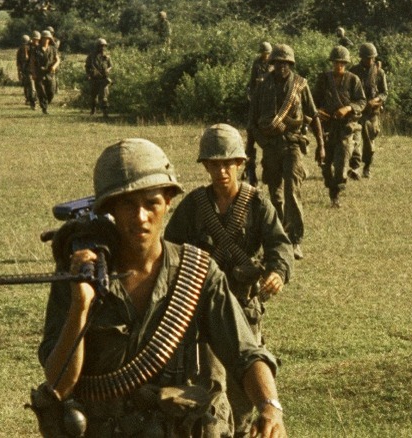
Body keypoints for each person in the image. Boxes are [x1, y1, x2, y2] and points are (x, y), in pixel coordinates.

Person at [32, 139, 287, 437]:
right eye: (127, 204)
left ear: (168, 202)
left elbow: (246, 353)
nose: (140, 216)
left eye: (151, 202)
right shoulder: (79, 276)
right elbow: (60, 384)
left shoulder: (197, 272)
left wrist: (270, 406)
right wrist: (81, 305)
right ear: (109, 208)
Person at [165, 124, 293, 437]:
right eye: (214, 164)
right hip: (204, 310)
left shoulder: (257, 204)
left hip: (245, 309)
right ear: (205, 165)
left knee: (245, 385)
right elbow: (169, 249)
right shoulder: (194, 206)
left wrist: (277, 272)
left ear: (240, 164)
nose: (221, 171)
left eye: (227, 163)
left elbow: (279, 244)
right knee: (210, 384)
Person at [246, 43, 325, 260]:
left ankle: (295, 240)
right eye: (278, 63)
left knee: (292, 192)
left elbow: (314, 115)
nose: (282, 67)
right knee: (275, 196)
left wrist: (321, 146)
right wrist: (249, 151)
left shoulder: (299, 86)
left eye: (286, 63)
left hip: (292, 145)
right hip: (269, 147)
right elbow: (252, 122)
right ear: (272, 63)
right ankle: (279, 236)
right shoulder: (262, 87)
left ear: (291, 64)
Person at [313, 45, 366, 207]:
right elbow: (314, 101)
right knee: (325, 163)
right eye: (336, 62)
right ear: (332, 63)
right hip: (327, 126)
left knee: (342, 161)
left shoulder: (353, 80)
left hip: (345, 127)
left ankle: (336, 194)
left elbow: (361, 101)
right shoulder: (323, 79)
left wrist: (348, 108)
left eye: (342, 63)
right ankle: (331, 187)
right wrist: (318, 110)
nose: (339, 66)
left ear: (347, 63)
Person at [348, 43, 388, 179]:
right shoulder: (353, 72)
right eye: (367, 58)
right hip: (357, 113)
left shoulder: (379, 73)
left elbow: (384, 93)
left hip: (372, 114)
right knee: (355, 141)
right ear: (362, 58)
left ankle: (367, 167)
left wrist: (376, 100)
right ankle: (355, 168)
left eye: (372, 58)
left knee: (370, 145)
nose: (370, 61)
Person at [30, 30, 60, 114]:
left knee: (51, 91)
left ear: (50, 39)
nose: (45, 40)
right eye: (44, 38)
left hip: (50, 73)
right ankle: (44, 108)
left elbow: (57, 60)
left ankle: (46, 103)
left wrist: (54, 66)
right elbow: (32, 62)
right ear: (41, 39)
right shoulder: (36, 49)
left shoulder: (53, 49)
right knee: (41, 91)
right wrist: (33, 73)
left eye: (47, 38)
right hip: (39, 73)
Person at [85, 38, 113, 117]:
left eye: (104, 46)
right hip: (94, 78)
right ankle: (93, 111)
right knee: (93, 96)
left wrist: (108, 70)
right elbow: (87, 67)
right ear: (97, 46)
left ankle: (105, 112)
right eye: (100, 46)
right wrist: (88, 75)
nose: (102, 47)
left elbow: (110, 66)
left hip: (103, 78)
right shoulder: (91, 56)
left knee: (104, 97)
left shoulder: (107, 56)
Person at [16, 34, 34, 108]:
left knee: (29, 84)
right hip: (25, 69)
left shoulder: (28, 48)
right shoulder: (23, 49)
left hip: (28, 68)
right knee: (27, 85)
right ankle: (28, 99)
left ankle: (30, 98)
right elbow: (19, 62)